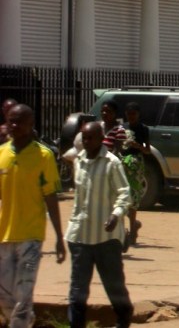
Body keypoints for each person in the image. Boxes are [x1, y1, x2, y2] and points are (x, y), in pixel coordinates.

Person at [0, 104, 65, 328]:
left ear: (31, 124)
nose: (14, 125)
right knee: (5, 298)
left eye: (20, 121)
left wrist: (59, 237)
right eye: (11, 121)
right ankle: (27, 321)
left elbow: (51, 198)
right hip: (4, 236)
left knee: (23, 296)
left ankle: (22, 321)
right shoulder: (1, 153)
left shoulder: (43, 156)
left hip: (31, 236)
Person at [66, 121, 133, 328]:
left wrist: (116, 215)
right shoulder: (79, 161)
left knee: (114, 286)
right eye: (83, 138)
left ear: (100, 138)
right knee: (78, 290)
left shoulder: (112, 163)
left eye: (90, 138)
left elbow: (125, 194)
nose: (86, 142)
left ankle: (124, 317)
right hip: (81, 237)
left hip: (106, 239)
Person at [121, 103, 149, 248]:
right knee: (121, 197)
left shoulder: (143, 129)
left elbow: (147, 150)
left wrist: (137, 146)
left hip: (135, 165)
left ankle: (132, 230)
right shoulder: (122, 128)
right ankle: (127, 229)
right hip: (121, 164)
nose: (131, 117)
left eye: (134, 114)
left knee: (133, 197)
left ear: (138, 114)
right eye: (129, 114)